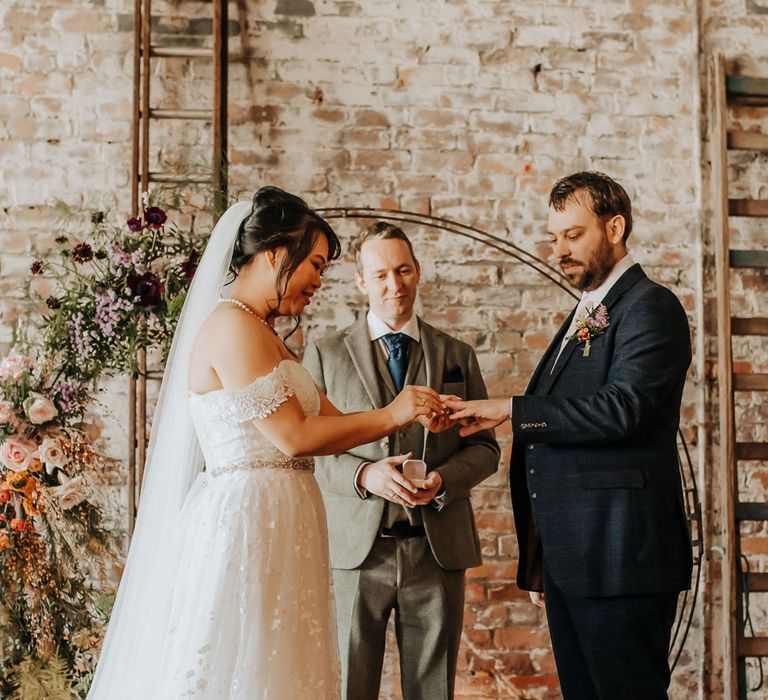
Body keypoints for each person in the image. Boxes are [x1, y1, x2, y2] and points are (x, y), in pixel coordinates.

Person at [87, 189, 444, 700]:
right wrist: (393, 412)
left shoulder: (265, 332)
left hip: (284, 518)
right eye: (315, 264)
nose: (319, 280)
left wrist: (418, 416)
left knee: (284, 663)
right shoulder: (232, 326)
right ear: (276, 253)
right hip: (246, 522)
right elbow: (295, 435)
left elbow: (336, 421)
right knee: (243, 661)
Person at [446, 172, 693, 699]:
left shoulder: (651, 306)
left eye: (573, 235)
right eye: (553, 237)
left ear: (616, 227)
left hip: (620, 556)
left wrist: (512, 409)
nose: (559, 250)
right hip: (573, 560)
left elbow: (622, 409)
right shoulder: (588, 310)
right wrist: (543, 560)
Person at [303, 222, 500, 700]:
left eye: (404, 270)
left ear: (418, 271)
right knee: (348, 687)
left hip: (436, 552)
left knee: (433, 692)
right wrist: (363, 474)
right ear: (361, 281)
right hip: (355, 554)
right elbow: (305, 450)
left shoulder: (457, 354)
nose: (395, 285)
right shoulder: (325, 354)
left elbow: (486, 448)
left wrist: (443, 480)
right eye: (382, 274)